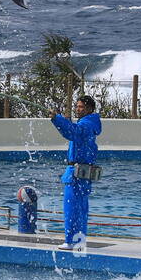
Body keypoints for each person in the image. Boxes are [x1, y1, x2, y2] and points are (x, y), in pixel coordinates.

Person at [50, 95, 102, 250]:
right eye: (77, 106)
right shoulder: (91, 123)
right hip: (84, 173)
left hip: (76, 173)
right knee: (82, 209)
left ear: (89, 109)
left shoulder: (86, 124)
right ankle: (79, 241)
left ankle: (70, 241)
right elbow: (74, 129)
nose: (77, 109)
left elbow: (72, 132)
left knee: (71, 208)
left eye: (81, 107)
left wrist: (57, 119)